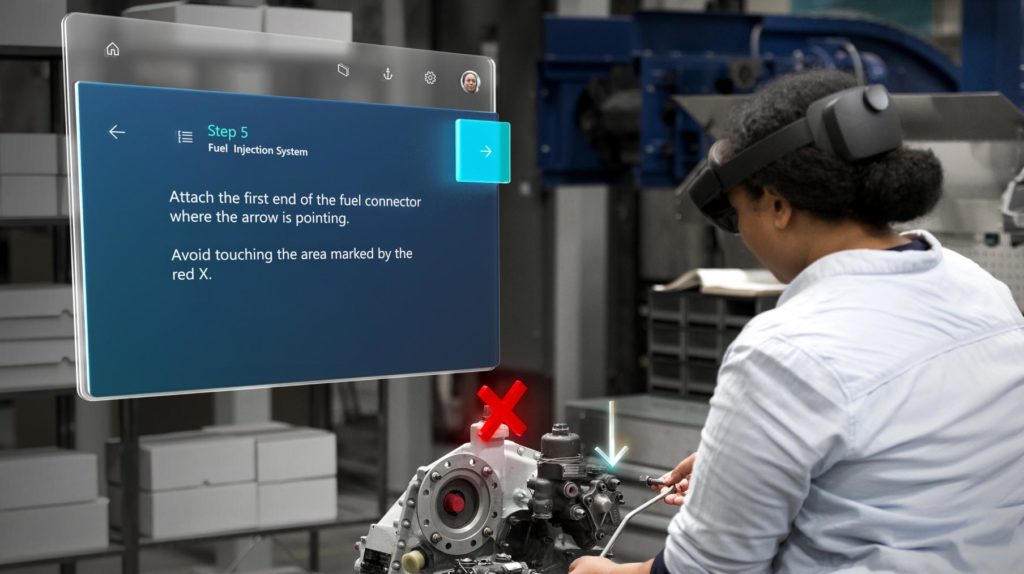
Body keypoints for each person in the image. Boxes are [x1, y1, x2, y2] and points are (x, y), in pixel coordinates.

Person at [570, 70, 1024, 573]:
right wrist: (747, 470)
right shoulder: (981, 289)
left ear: (779, 205)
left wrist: (600, 571)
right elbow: (916, 462)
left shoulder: (783, 351)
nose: (741, 232)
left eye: (740, 211)